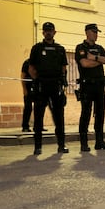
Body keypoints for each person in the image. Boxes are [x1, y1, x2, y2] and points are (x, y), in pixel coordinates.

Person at [28, 22, 69, 155]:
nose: (48, 32)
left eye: (50, 30)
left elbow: (64, 67)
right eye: (46, 30)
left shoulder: (60, 49)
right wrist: (38, 80)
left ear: (54, 32)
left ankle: (61, 145)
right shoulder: (37, 48)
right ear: (43, 32)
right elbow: (31, 68)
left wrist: (61, 81)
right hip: (41, 86)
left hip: (56, 86)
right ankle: (38, 147)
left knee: (59, 118)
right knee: (38, 118)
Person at [75, 23, 105, 152]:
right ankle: (84, 143)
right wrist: (99, 61)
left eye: (97, 32)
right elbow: (84, 63)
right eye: (93, 31)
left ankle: (99, 141)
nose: (96, 34)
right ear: (87, 32)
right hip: (87, 86)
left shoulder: (99, 48)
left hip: (99, 86)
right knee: (85, 114)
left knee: (100, 114)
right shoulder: (80, 48)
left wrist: (95, 58)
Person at [21, 59, 49, 133]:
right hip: (28, 87)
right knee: (28, 107)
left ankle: (39, 126)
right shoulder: (27, 63)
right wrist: (24, 89)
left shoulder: (41, 62)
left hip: (39, 88)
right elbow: (23, 76)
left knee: (41, 108)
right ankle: (25, 126)